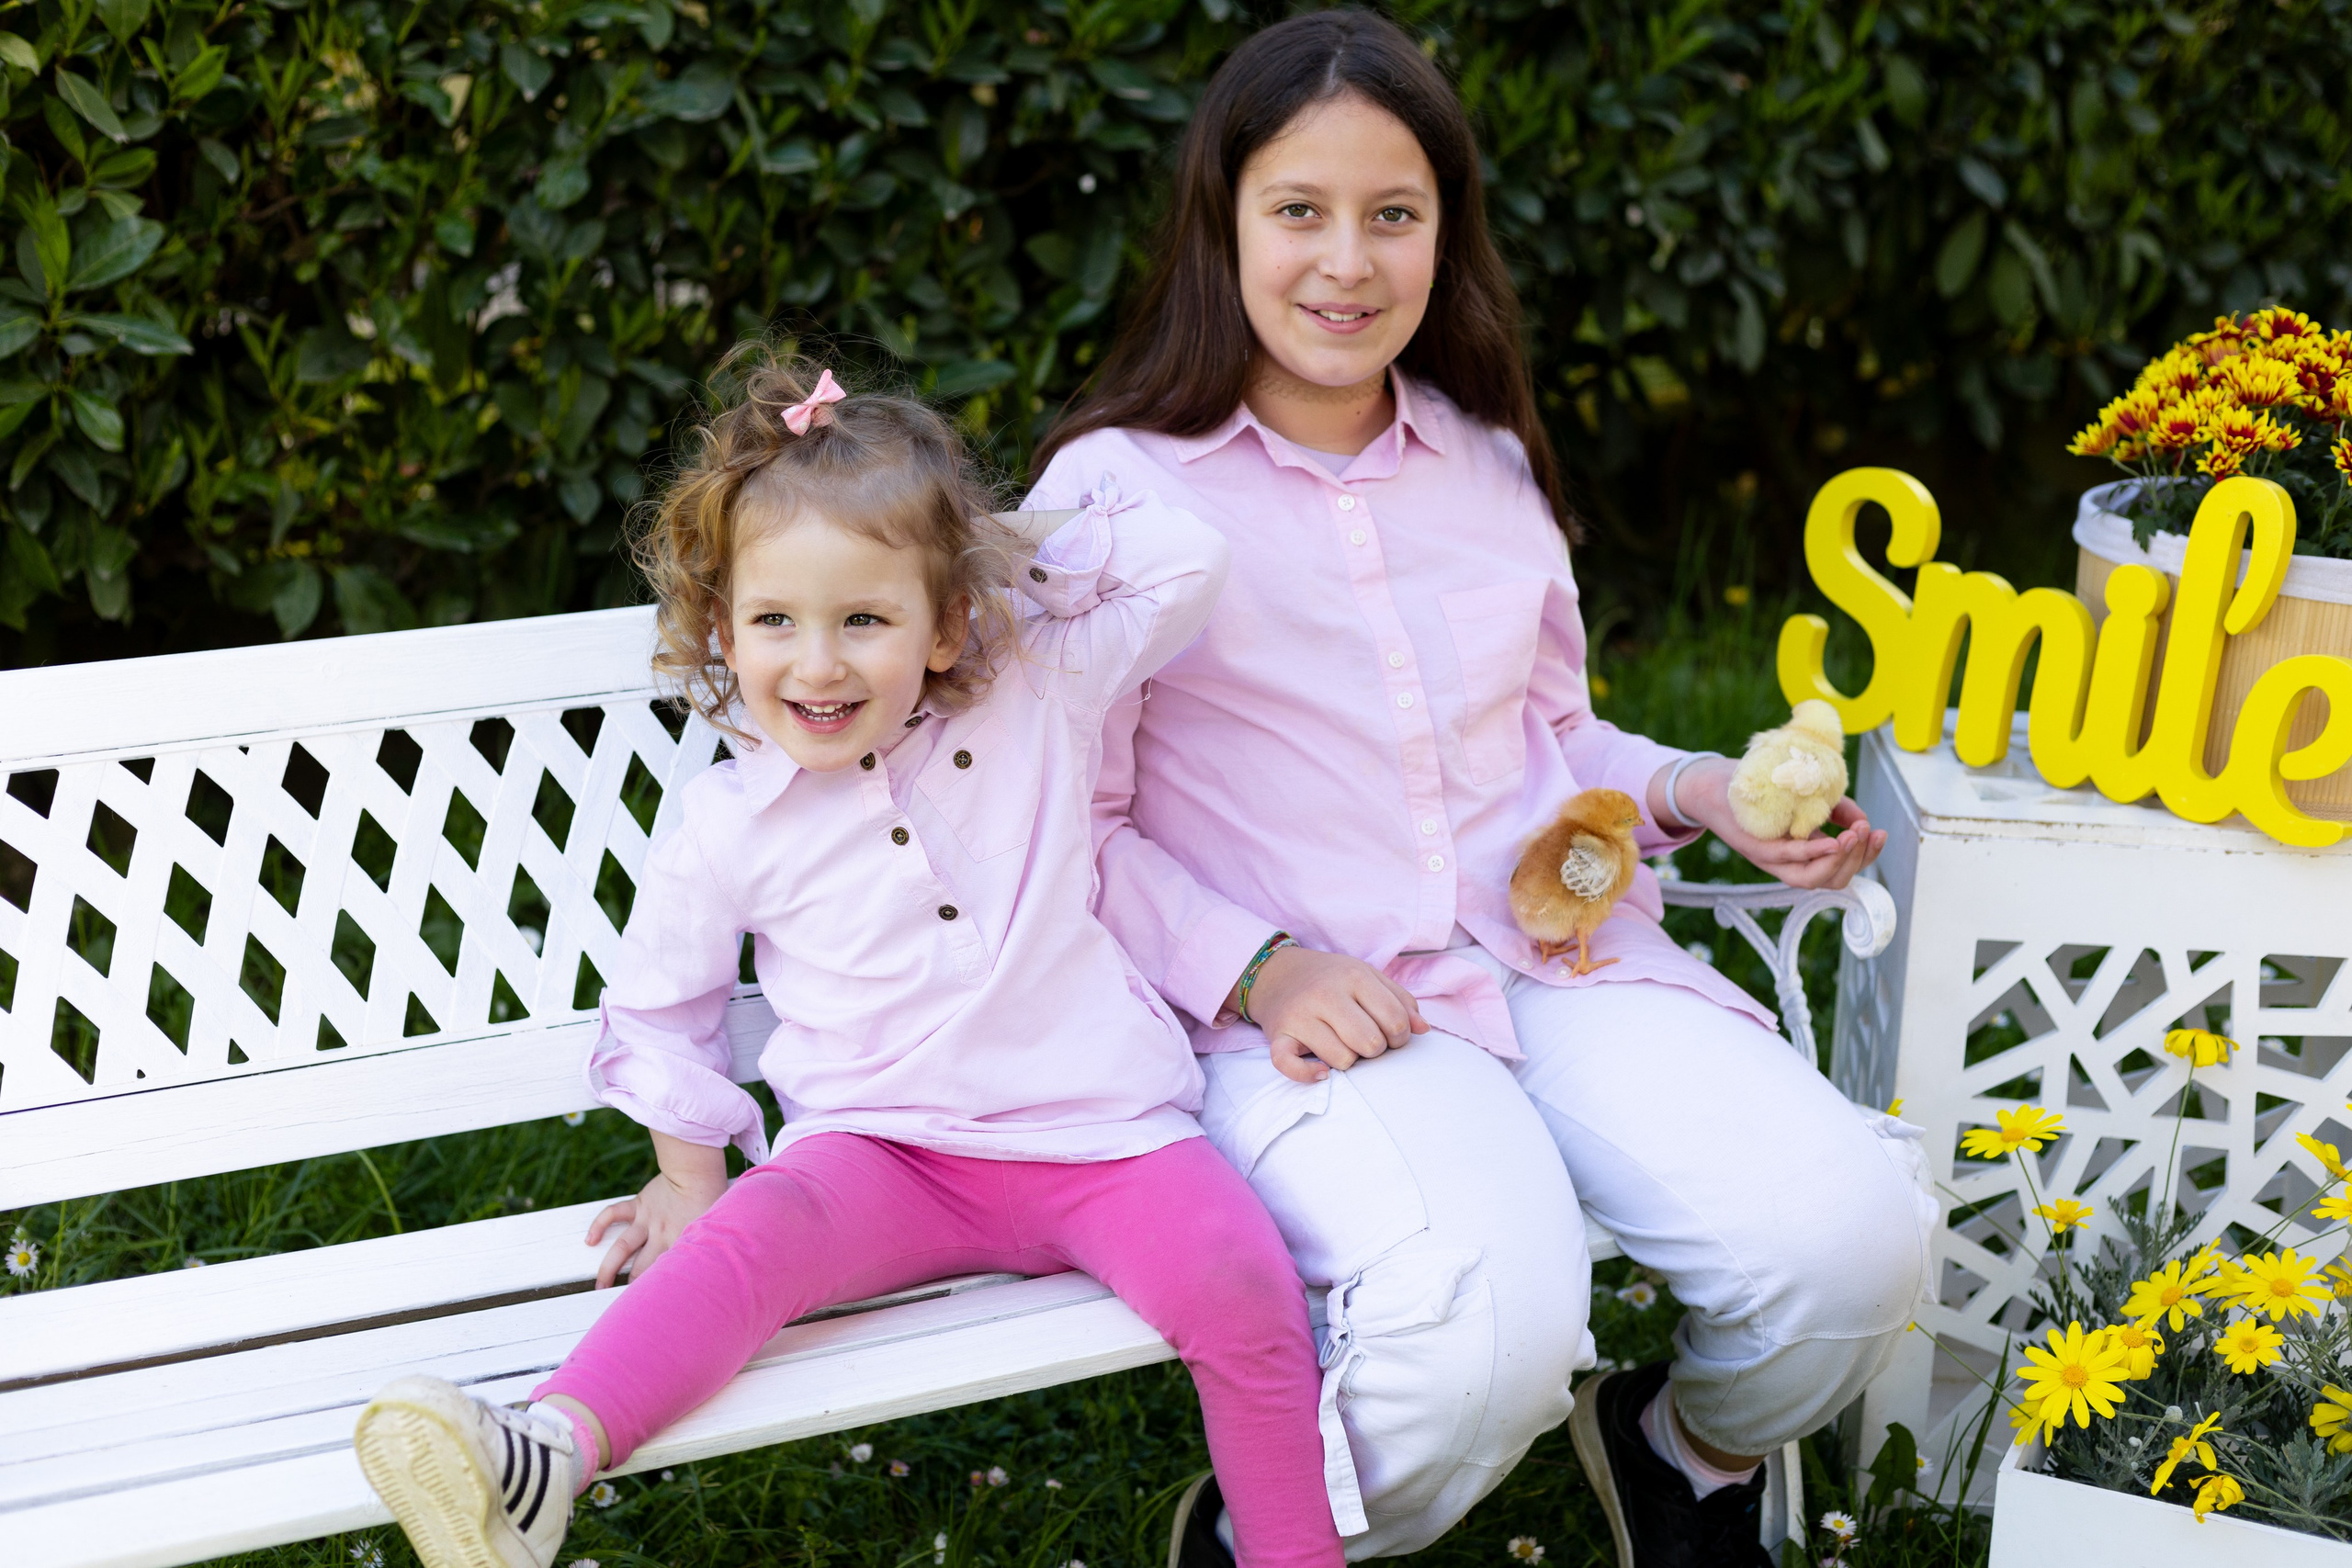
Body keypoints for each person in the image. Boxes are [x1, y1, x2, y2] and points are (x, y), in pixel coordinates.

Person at [1027, 12, 1935, 1567]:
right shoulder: (1118, 496)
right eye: (1298, 212)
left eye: (1395, 215)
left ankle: (1681, 1459)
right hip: (1315, 1012)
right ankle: (1273, 1537)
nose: (1347, 261)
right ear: (1220, 223)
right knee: (1491, 1336)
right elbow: (1059, 830)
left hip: (1558, 953)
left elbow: (1557, 746)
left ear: (1445, 235)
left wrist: (1705, 791)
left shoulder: (1487, 457)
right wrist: (1259, 966)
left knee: (1855, 1241)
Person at [350, 351, 1344, 1568]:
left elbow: (1188, 557)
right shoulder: (729, 823)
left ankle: (1295, 1557)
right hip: (882, 1152)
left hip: (1104, 1139)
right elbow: (665, 1011)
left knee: (1245, 1289)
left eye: (866, 619)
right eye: (775, 621)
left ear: (945, 628)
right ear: (723, 629)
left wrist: (974, 549)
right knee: (746, 1248)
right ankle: (544, 1455)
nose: (817, 664)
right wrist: (687, 1177)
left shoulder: (1034, 694)